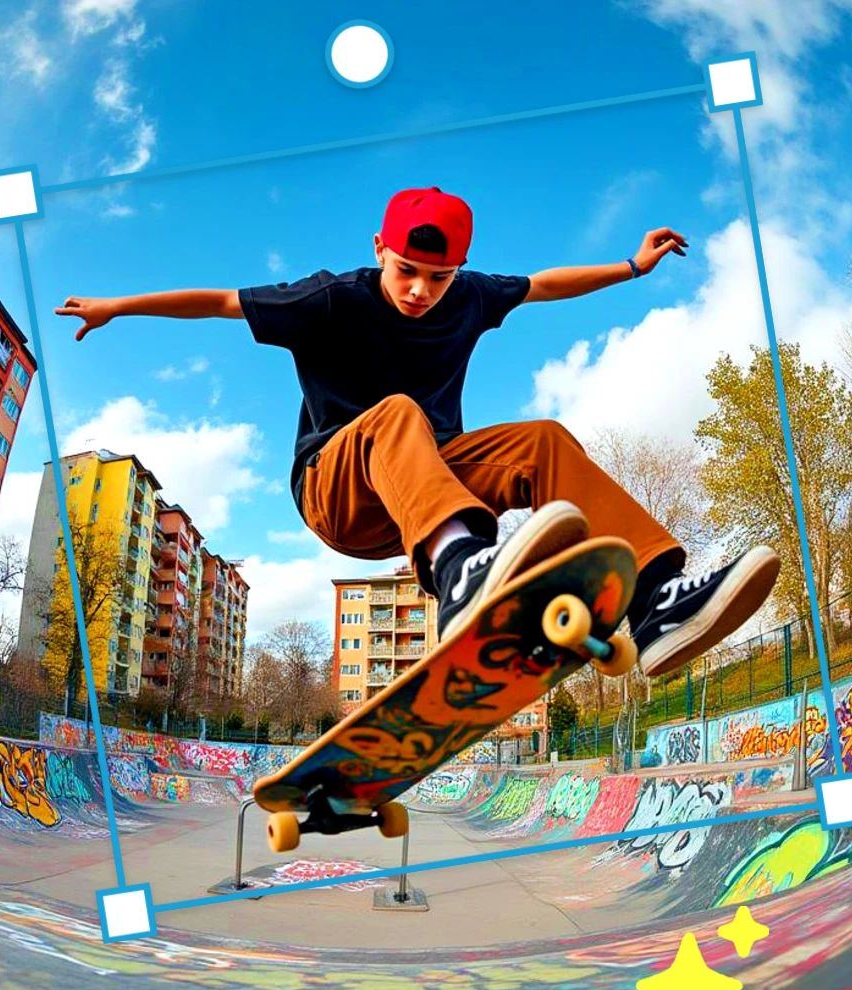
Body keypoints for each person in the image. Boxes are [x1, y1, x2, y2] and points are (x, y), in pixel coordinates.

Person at [55, 186, 779, 677]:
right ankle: (460, 569)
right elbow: (218, 301)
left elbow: (545, 284)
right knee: (399, 411)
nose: (419, 292)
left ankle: (654, 606)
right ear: (380, 249)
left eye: (437, 278)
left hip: (423, 494)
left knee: (543, 441)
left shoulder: (469, 296)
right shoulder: (329, 298)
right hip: (334, 491)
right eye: (406, 272)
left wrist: (631, 266)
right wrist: (118, 305)